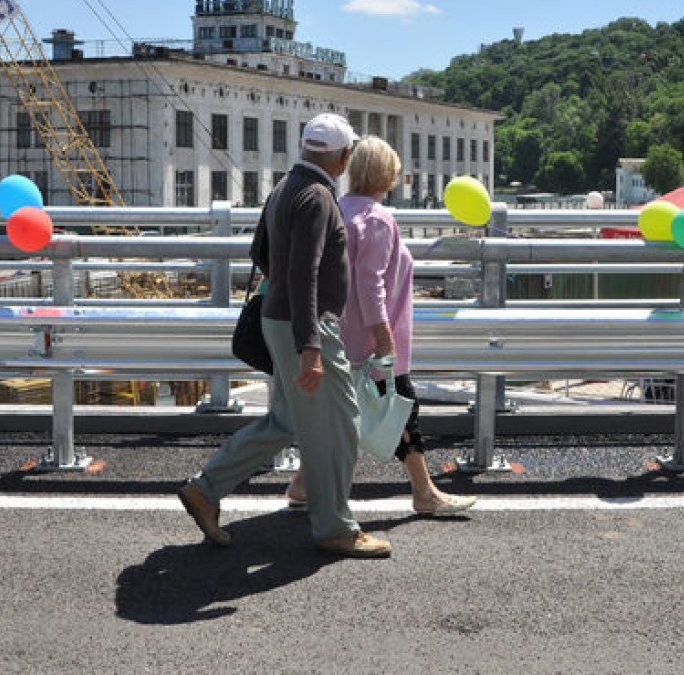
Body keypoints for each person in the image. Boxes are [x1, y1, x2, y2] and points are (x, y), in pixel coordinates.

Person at [177, 114, 392, 558]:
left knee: (288, 421)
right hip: (307, 325)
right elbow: (305, 273)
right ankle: (335, 524)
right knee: (340, 425)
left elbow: (262, 252)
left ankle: (206, 488)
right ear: (343, 156)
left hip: (280, 318)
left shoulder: (283, 188)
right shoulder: (316, 197)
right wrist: (311, 345)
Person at [287, 136, 475, 518]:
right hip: (374, 337)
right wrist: (385, 338)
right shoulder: (377, 219)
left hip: (341, 333)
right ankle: (425, 493)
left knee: (345, 413)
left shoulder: (339, 207)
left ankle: (303, 483)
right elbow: (370, 282)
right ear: (387, 174)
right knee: (401, 409)